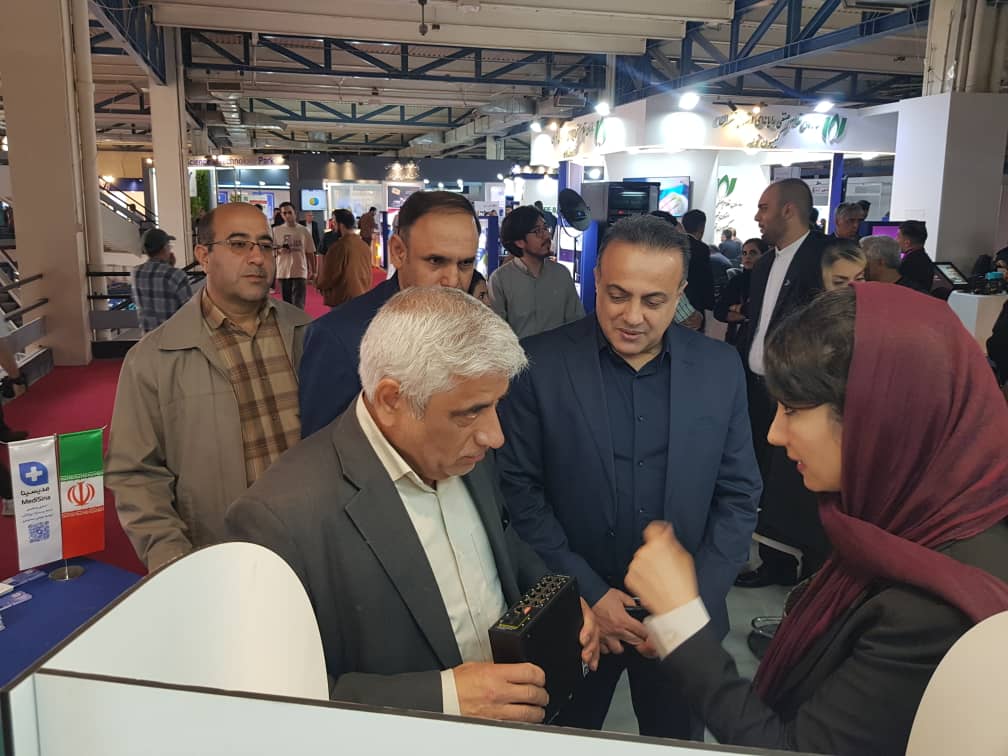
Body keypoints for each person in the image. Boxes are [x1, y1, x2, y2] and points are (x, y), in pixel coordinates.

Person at [625, 283, 1008, 754]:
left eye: (793, 410)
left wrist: (680, 620)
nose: (775, 433)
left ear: (879, 416)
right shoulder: (893, 524)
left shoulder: (931, 609)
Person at [226, 286, 599, 716]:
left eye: (497, 404)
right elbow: (269, 699)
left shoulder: (464, 452)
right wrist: (445, 698)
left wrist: (557, 603)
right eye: (471, 411)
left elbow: (504, 546)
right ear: (391, 400)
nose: (495, 436)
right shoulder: (278, 519)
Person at [497, 214, 761, 739]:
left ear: (680, 294)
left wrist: (686, 606)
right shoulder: (538, 365)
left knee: (676, 742)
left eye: (654, 301)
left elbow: (738, 493)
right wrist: (592, 593)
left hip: (685, 623)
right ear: (595, 279)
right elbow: (520, 493)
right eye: (617, 295)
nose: (632, 317)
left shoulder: (719, 368)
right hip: (574, 614)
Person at [106, 203, 312, 571]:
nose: (257, 258)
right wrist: (171, 558)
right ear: (203, 256)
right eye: (239, 244)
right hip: (220, 558)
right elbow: (135, 473)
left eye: (265, 245)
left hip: (311, 546)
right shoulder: (152, 359)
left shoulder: (306, 332)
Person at [298, 191, 479, 438]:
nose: (453, 280)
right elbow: (325, 446)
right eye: (436, 261)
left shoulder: (476, 327)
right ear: (398, 251)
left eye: (465, 263)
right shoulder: (339, 337)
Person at [736, 178, 831, 588]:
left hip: (802, 394)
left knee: (802, 482)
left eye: (764, 208)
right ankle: (775, 562)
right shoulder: (764, 265)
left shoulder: (825, 258)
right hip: (758, 387)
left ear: (788, 210)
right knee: (764, 478)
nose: (757, 216)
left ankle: (814, 574)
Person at [488, 205, 583, 339]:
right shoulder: (500, 280)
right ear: (519, 242)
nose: (547, 235)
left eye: (545, 228)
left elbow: (577, 324)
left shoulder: (562, 274)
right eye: (537, 231)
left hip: (558, 351)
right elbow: (496, 334)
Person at [132, 228, 195, 333]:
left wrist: (169, 267)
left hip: (148, 338)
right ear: (165, 248)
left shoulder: (136, 273)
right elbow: (189, 311)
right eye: (169, 245)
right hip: (173, 337)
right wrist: (171, 268)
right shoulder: (176, 275)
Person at [715, 237, 767, 345]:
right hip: (736, 340)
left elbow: (763, 312)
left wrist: (736, 308)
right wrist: (746, 316)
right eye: (744, 253)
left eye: (753, 253)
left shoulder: (770, 280)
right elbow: (719, 311)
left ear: (764, 256)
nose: (747, 256)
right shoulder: (737, 281)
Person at [315, 208, 371, 308]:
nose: (333, 226)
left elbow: (330, 275)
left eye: (334, 223)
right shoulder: (364, 246)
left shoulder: (339, 247)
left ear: (340, 225)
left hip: (342, 297)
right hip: (362, 294)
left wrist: (319, 283)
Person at [272, 201, 316, 310]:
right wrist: (279, 250)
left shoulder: (304, 230)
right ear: (281, 215)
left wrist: (314, 270)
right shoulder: (276, 231)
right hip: (283, 271)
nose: (287, 215)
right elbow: (272, 251)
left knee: (298, 302)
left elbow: (310, 251)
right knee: (287, 303)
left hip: (300, 270)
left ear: (295, 213)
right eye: (284, 213)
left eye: (289, 212)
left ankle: (299, 319)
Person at [679, 209, 715, 322]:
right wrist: (710, 303)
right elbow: (705, 278)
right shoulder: (701, 248)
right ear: (701, 227)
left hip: (676, 299)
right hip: (695, 300)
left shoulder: (675, 244)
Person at [896, 220, 933, 293]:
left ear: (907, 242)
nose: (896, 240)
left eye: (898, 237)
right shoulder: (925, 259)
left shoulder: (907, 264)